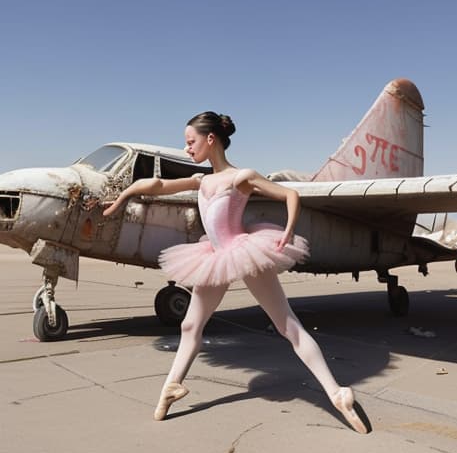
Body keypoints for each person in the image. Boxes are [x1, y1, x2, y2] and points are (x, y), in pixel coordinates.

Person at [103, 112, 368, 434]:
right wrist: (124, 197)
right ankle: (172, 386)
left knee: (288, 326)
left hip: (243, 252)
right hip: (214, 257)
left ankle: (336, 392)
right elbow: (158, 185)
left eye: (191, 142)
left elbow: (290, 194)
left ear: (210, 139)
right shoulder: (202, 180)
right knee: (190, 324)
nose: (187, 149)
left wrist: (287, 230)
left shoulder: (241, 177)